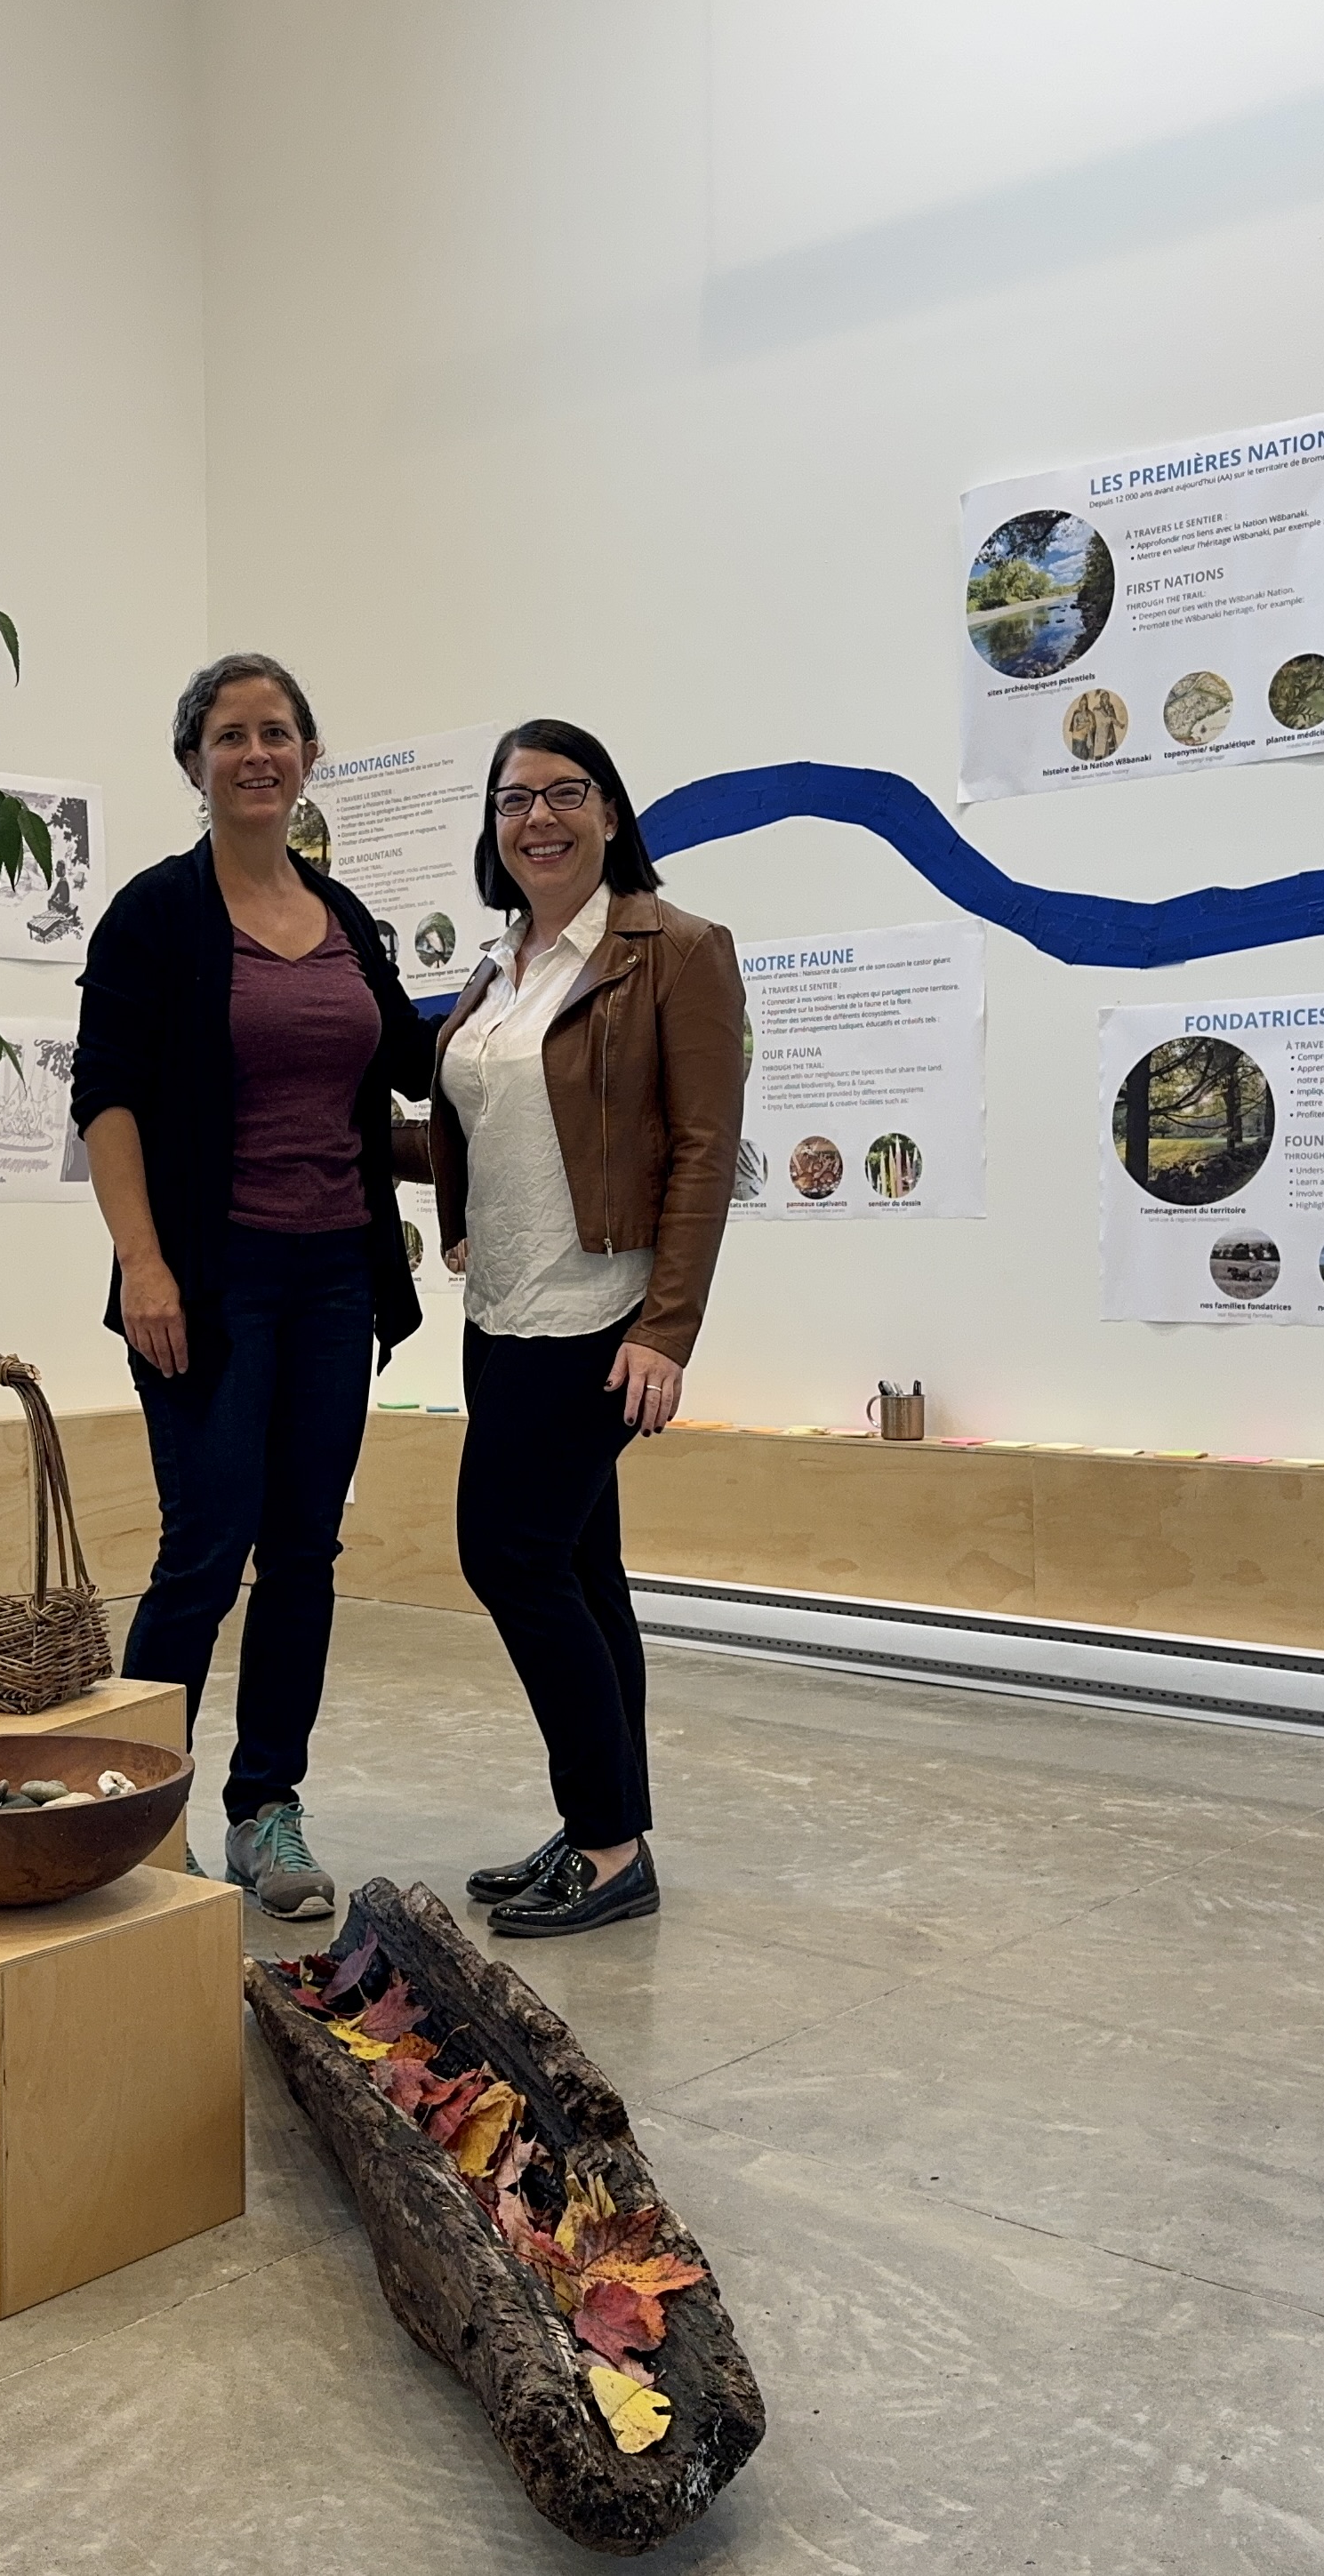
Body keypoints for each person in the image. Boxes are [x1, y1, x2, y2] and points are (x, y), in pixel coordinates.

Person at [71, 653, 430, 1922]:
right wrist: (144, 1261)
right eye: (231, 735)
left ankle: (266, 1806)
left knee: (305, 1554)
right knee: (204, 1550)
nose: (258, 754)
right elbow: (106, 1097)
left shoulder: (343, 917)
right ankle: (137, 1805)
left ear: (309, 757)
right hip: (209, 1283)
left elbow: (411, 1062)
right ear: (195, 763)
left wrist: (530, 986)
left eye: (278, 732)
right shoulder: (156, 914)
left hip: (335, 1279)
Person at [432, 718, 745, 1938]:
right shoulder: (500, 965)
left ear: (611, 813)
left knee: (507, 1556)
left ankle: (609, 1846)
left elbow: (705, 1150)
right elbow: (485, 1123)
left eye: (566, 793)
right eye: (514, 799)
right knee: (578, 1569)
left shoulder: (680, 950)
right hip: (501, 1310)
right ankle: (605, 1827)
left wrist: (667, 1329)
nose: (540, 818)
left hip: (600, 1316)